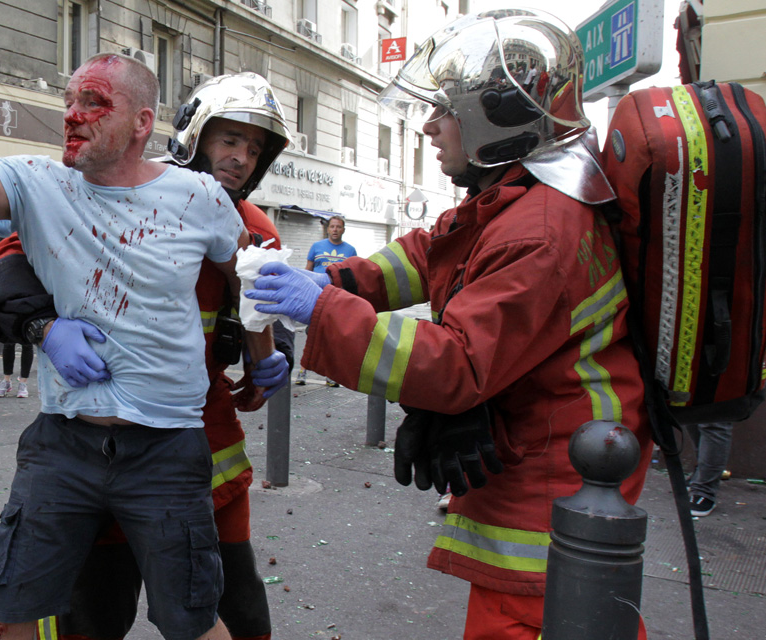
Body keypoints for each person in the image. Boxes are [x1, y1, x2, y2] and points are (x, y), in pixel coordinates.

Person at [0, 18, 273, 640]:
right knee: (12, 612)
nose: (72, 115)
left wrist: (263, 356)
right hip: (64, 445)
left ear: (141, 123)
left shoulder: (198, 196)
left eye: (94, 103)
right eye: (69, 101)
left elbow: (250, 278)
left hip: (168, 450)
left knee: (194, 621)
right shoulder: (36, 183)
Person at [245, 10, 651, 639]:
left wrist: (320, 309)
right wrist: (340, 281)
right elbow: (425, 255)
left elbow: (455, 364)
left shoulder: (540, 227)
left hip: (554, 482)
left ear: (497, 120)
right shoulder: (509, 199)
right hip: (549, 458)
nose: (430, 126)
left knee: (533, 623)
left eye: (445, 109)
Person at [0, 72, 293, 640]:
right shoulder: (88, 197)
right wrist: (45, 327)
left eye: (254, 148)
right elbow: (7, 272)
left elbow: (266, 303)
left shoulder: (250, 227)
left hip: (202, 446)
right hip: (97, 442)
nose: (241, 158)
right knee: (86, 618)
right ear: (195, 134)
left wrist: (274, 352)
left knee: (233, 613)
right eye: (229, 140)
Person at [687, 277, 766, 516]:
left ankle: (704, 490)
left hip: (735, 331)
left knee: (717, 412)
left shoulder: (752, 240)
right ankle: (704, 474)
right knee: (689, 408)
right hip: (693, 329)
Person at [295, 216, 354, 387]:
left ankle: (330, 375)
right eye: (332, 226)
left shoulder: (350, 251)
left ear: (343, 229)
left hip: (337, 301)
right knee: (311, 334)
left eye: (339, 227)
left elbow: (352, 278)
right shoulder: (316, 247)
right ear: (328, 229)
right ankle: (302, 371)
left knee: (331, 338)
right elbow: (307, 272)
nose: (335, 229)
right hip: (317, 299)